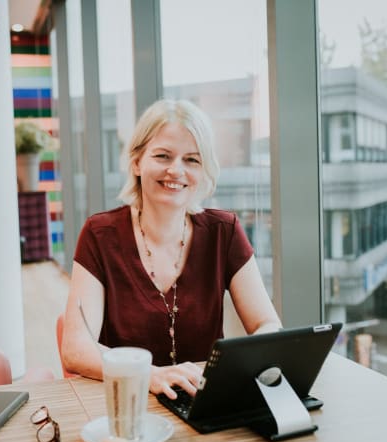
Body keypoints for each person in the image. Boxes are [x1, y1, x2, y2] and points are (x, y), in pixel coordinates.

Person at [62, 99, 282, 400]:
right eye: (163, 156)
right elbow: (76, 348)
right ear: (137, 162)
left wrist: (235, 368)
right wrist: (150, 375)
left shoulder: (224, 232)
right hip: (127, 405)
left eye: (192, 160)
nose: (176, 170)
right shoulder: (100, 235)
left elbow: (267, 323)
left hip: (201, 403)